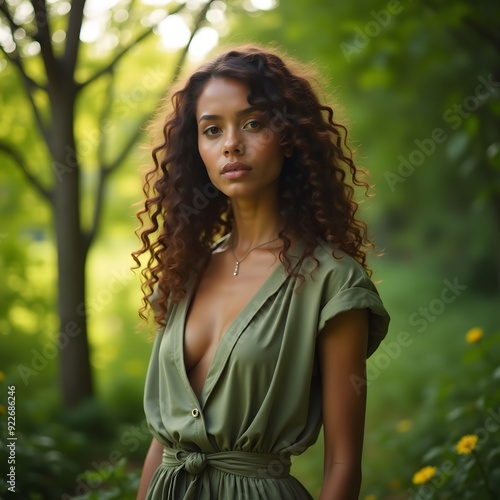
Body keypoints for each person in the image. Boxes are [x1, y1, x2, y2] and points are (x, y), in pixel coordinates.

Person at [133, 45, 390, 500]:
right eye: (212, 129)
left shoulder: (332, 282)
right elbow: (165, 441)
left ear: (289, 135)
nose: (231, 142)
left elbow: (344, 465)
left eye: (253, 123)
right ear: (197, 149)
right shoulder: (183, 273)